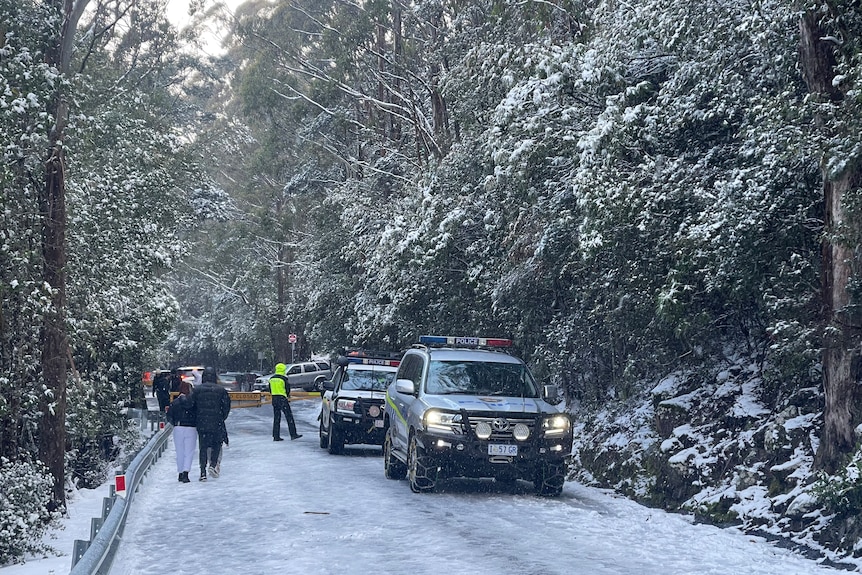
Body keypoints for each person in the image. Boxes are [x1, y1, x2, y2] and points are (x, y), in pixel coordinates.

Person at [191, 366, 231, 481]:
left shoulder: (197, 390)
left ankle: (202, 472)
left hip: (202, 422)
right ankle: (213, 464)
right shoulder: (221, 390)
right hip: (216, 421)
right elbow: (226, 406)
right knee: (216, 444)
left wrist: (197, 418)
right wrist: (222, 417)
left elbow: (192, 406)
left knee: (203, 447)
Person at [166, 380, 196, 483]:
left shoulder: (174, 403)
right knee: (189, 451)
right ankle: (186, 473)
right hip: (191, 427)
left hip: (178, 427)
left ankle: (180, 472)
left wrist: (175, 423)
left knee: (180, 451)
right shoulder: (193, 403)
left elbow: (169, 416)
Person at [270, 362, 302, 441]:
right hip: (282, 399)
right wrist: (287, 396)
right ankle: (293, 434)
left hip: (274, 398)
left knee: (277, 418)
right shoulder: (283, 378)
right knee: (289, 417)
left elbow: (270, 389)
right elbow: (287, 389)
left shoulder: (272, 378)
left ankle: (276, 436)